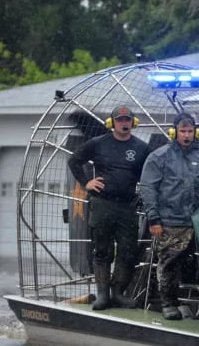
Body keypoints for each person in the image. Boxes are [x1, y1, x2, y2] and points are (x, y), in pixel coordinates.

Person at [139, 112, 199, 320]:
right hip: (168, 220)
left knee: (191, 263)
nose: (186, 135)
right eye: (182, 131)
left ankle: (186, 301)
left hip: (194, 221)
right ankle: (167, 303)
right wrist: (154, 219)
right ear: (174, 132)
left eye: (189, 131)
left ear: (195, 132)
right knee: (168, 263)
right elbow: (148, 188)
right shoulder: (159, 156)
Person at [67, 106, 150, 310]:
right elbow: (74, 161)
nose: (124, 123)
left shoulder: (141, 147)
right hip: (103, 204)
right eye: (120, 119)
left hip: (127, 207)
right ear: (112, 123)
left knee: (128, 251)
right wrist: (87, 182)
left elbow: (151, 171)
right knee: (102, 251)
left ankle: (118, 293)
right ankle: (102, 294)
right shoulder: (97, 143)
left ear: (133, 123)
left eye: (127, 120)